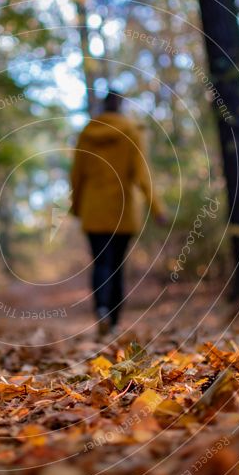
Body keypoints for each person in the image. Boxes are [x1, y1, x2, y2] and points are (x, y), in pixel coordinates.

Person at [70, 91, 167, 336]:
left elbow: (77, 174)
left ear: (104, 106)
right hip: (123, 210)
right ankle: (114, 323)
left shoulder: (87, 134)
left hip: (93, 210)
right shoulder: (131, 132)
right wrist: (157, 208)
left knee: (100, 262)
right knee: (117, 266)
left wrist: (76, 206)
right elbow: (142, 174)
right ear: (121, 105)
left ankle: (101, 307)